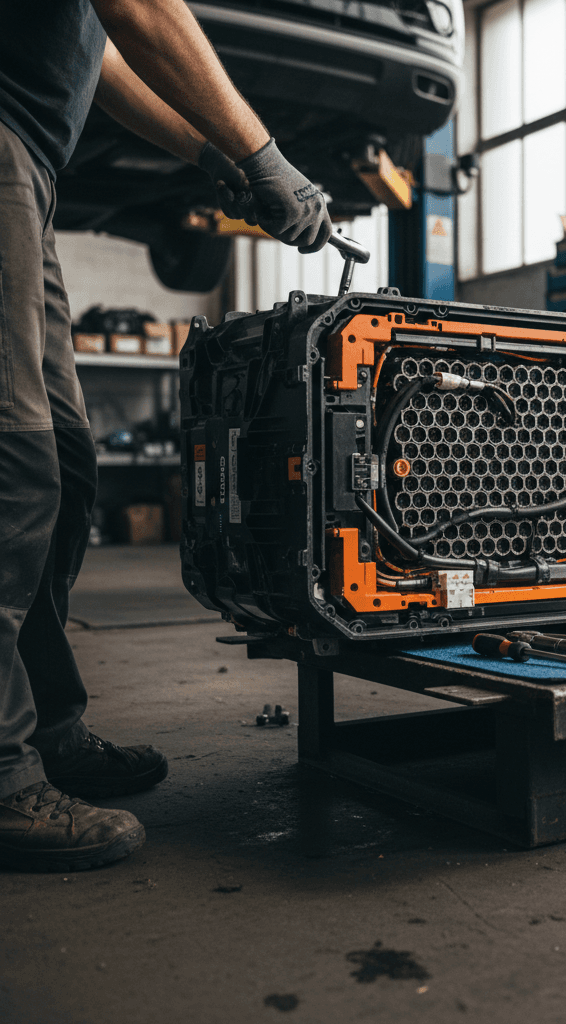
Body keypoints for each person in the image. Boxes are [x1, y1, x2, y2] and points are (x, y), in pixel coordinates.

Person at [0, 0, 333, 873]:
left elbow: (100, 52)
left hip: (30, 164)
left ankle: (47, 731)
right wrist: (264, 156)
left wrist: (208, 149)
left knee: (67, 466)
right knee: (12, 468)